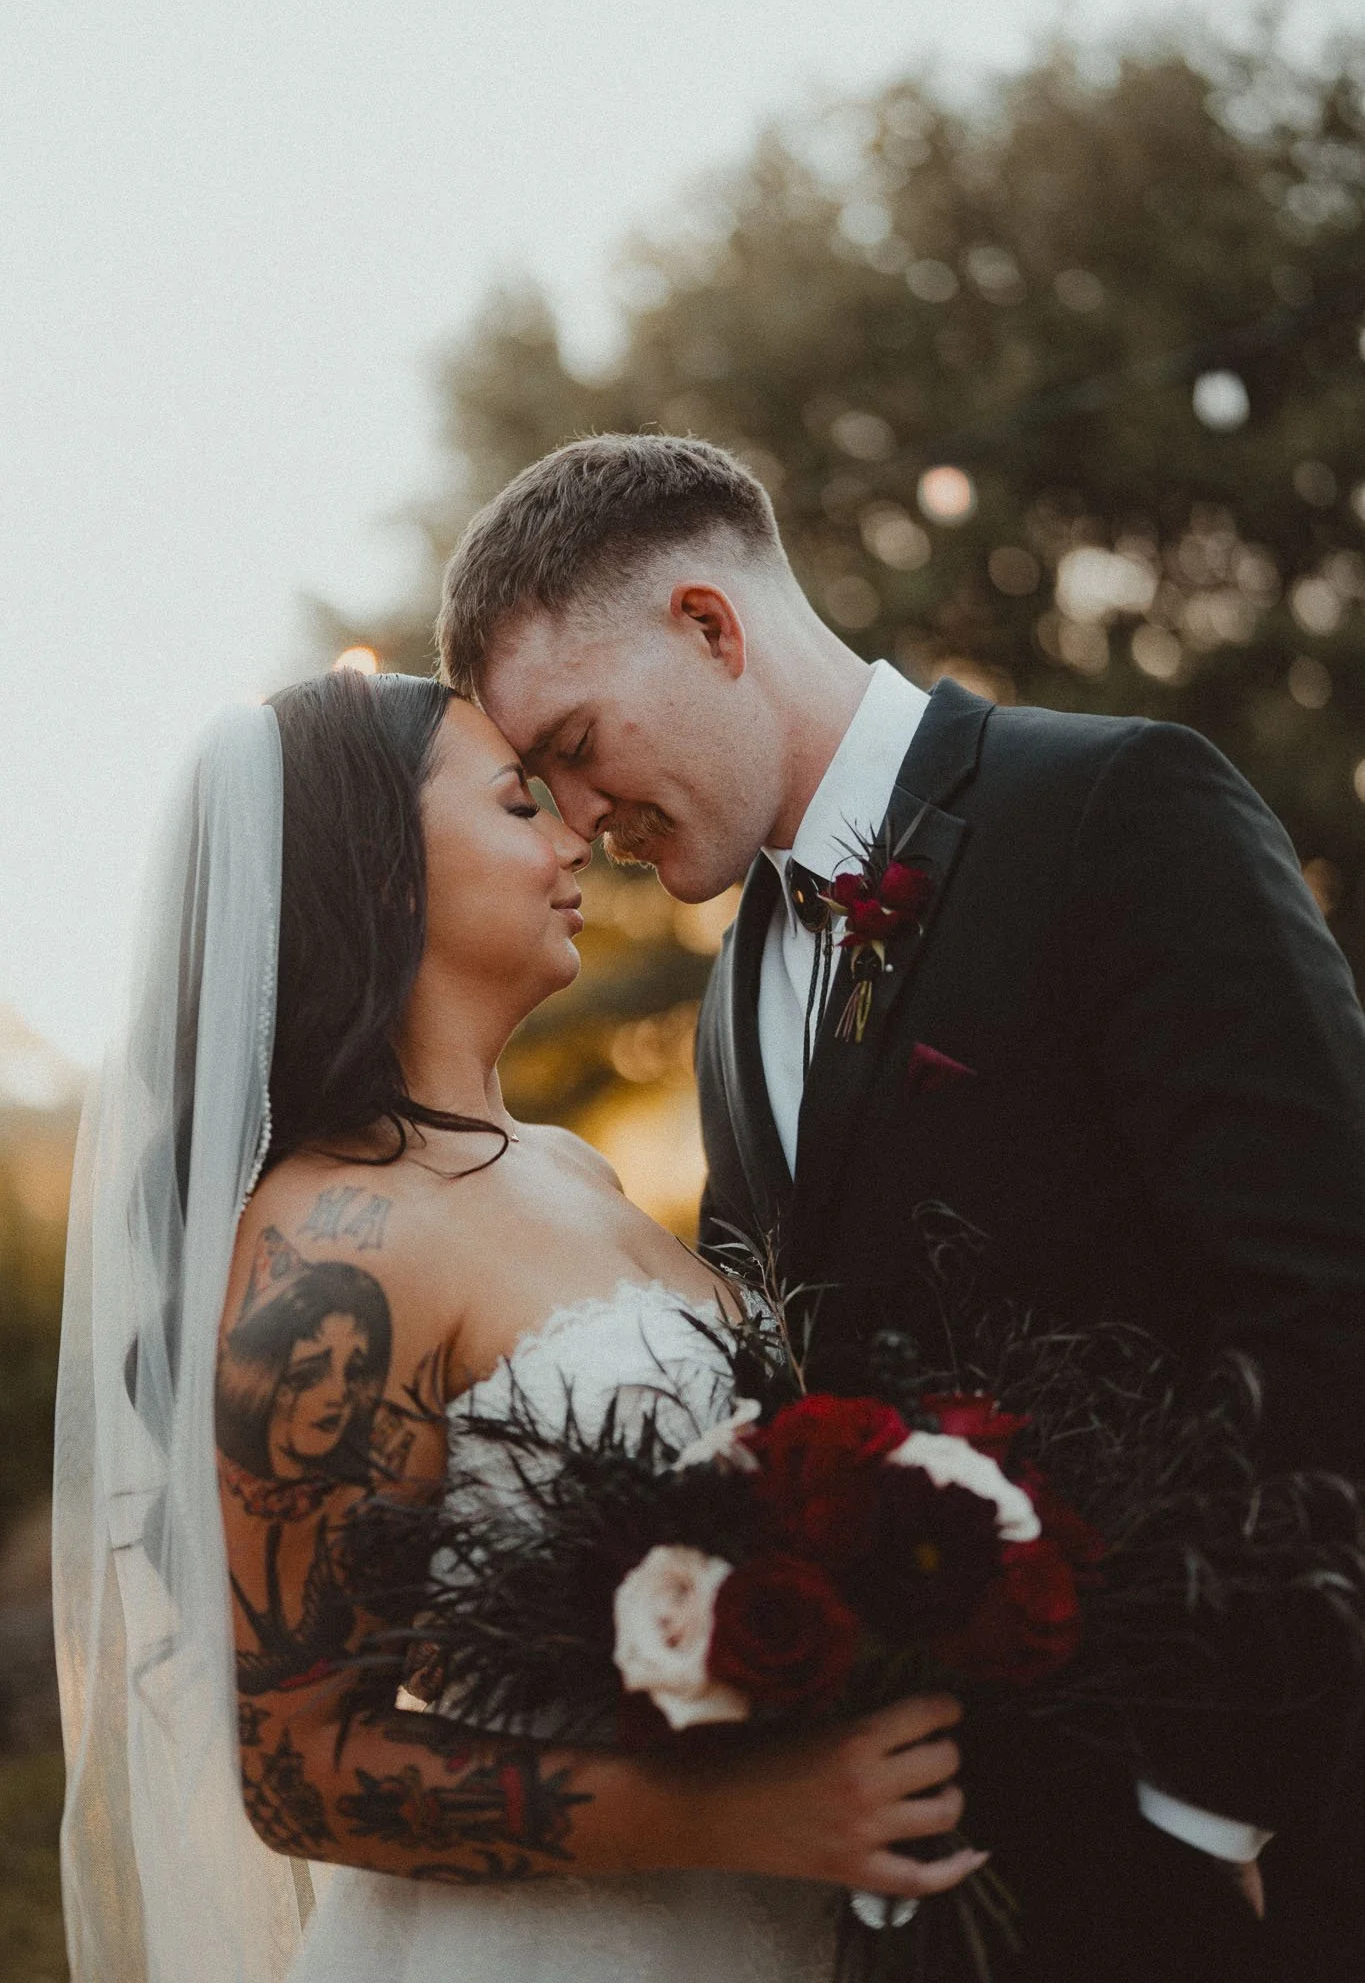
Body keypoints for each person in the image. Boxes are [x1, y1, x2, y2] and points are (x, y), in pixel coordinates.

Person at [437, 432, 1365, 1983]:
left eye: (579, 743)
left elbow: (1325, 1306)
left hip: (1236, 1856)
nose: (580, 816)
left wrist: (1210, 1806)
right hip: (942, 1885)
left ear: (708, 626)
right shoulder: (733, 994)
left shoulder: (1114, 808)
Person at [53, 668, 980, 1983]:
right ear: (387, 874)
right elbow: (299, 1766)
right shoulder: (332, 1247)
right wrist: (744, 1814)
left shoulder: (567, 1168)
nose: (573, 839)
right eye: (515, 804)